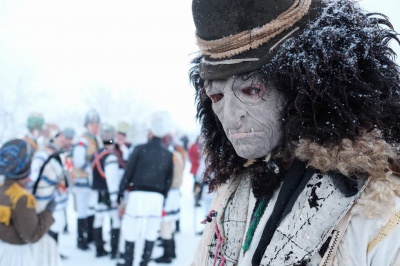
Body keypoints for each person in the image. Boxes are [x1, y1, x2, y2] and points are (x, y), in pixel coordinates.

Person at [189, 0, 400, 265]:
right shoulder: (232, 191)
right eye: (216, 96)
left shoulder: (380, 208)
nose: (231, 116)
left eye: (252, 90)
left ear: (303, 87)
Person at [117, 111, 174, 266]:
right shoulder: (167, 154)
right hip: (156, 196)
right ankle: (144, 262)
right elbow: (169, 179)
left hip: (137, 194)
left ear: (150, 133)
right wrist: (164, 197)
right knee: (151, 230)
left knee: (131, 228)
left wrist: (120, 191)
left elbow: (128, 172)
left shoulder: (139, 149)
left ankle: (129, 262)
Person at [0, 139, 60, 266]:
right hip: (19, 257)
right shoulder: (22, 198)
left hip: (4, 250)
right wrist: (49, 212)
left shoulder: (2, 188)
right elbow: (32, 235)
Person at [72, 109, 101, 250]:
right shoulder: (83, 140)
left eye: (97, 125)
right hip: (83, 181)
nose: (96, 128)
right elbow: (78, 161)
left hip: (91, 183)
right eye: (93, 125)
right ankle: (81, 240)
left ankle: (90, 237)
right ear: (87, 125)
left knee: (91, 209)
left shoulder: (94, 140)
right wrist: (91, 169)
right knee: (83, 210)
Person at [91, 123, 121, 258]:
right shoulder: (111, 157)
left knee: (99, 219)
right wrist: (115, 198)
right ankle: (114, 251)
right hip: (108, 194)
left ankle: (99, 249)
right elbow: (112, 180)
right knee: (115, 220)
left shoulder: (97, 154)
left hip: (97, 193)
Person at [155, 134, 186, 264]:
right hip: (175, 192)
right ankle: (171, 250)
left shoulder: (167, 156)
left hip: (168, 193)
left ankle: (167, 254)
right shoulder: (178, 155)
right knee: (170, 222)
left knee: (165, 223)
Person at [188, 136, 202, 206]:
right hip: (196, 168)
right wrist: (195, 161)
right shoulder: (194, 146)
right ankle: (196, 198)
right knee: (197, 184)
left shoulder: (201, 147)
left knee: (199, 184)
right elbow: (190, 155)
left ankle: (197, 197)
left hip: (200, 168)